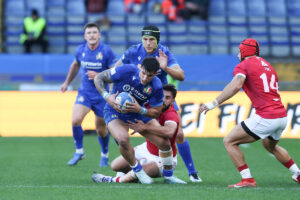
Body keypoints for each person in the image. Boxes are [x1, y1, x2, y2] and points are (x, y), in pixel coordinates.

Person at [199, 38, 300, 188]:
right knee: (270, 146)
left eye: (239, 51)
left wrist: (213, 103)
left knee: (229, 141)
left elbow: (236, 85)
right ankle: (298, 173)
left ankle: (248, 179)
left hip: (267, 116)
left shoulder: (244, 65)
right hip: (281, 116)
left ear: (244, 51)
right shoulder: (268, 66)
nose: (238, 54)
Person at [114, 25, 201, 182]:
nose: (148, 43)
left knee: (178, 133)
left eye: (151, 40)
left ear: (157, 40)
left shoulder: (164, 52)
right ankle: (126, 168)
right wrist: (114, 94)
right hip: (137, 98)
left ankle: (192, 172)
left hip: (159, 99)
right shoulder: (133, 51)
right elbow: (115, 70)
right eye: (145, 39)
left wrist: (165, 67)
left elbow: (181, 75)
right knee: (122, 132)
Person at [93, 57, 185, 184]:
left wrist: (139, 110)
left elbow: (156, 112)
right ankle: (139, 172)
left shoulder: (156, 86)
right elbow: (98, 77)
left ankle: (169, 177)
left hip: (137, 113)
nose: (145, 78)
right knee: (123, 140)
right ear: (140, 67)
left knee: (164, 143)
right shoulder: (125, 70)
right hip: (114, 110)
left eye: (150, 76)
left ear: (156, 74)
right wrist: (107, 97)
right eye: (143, 73)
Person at [61, 22, 117, 167]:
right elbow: (75, 65)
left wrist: (101, 78)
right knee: (75, 120)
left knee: (101, 129)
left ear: (99, 35)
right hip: (85, 92)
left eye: (94, 32)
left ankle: (104, 155)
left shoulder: (107, 51)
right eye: (89, 33)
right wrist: (67, 83)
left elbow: (114, 73)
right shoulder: (80, 50)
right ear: (85, 36)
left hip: (101, 95)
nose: (92, 35)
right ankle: (79, 151)